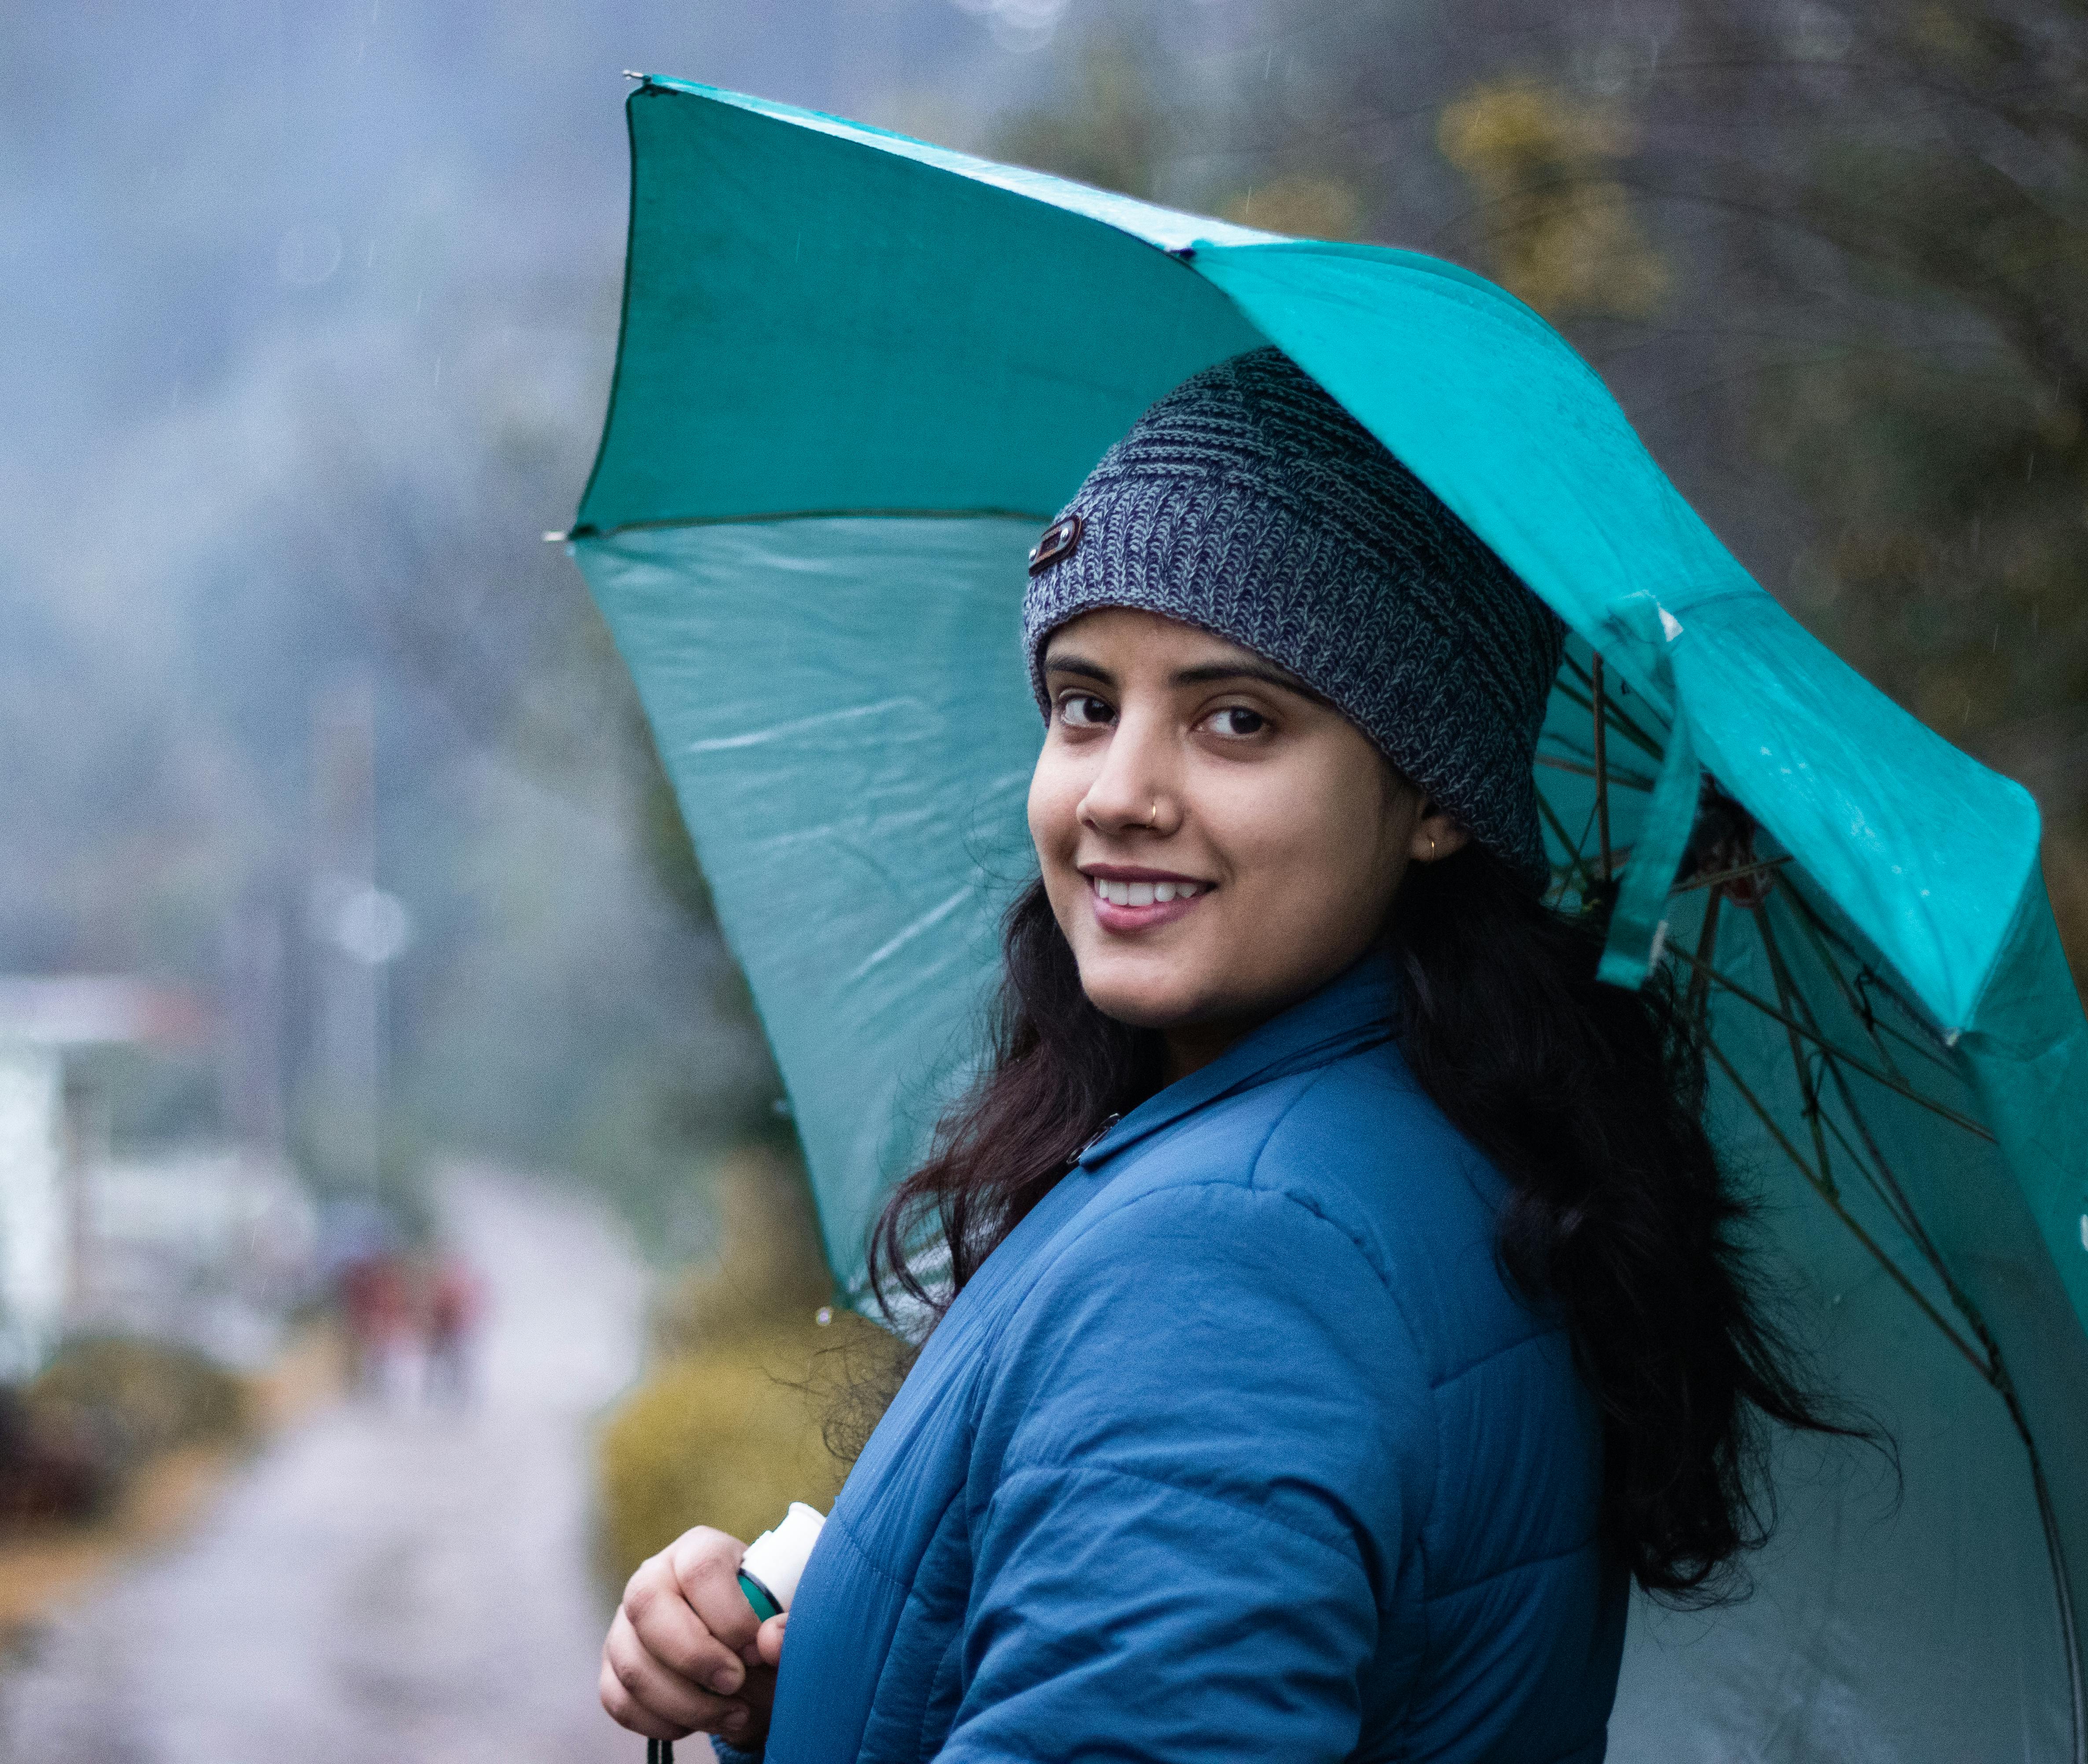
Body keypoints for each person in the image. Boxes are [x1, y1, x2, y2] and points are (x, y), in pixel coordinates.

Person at [599, 349, 1856, 1761]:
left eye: (1236, 719)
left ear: (1435, 795)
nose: (1120, 793)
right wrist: (831, 1677)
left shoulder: (1235, 1266)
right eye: (1084, 703)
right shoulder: (1443, 1156)